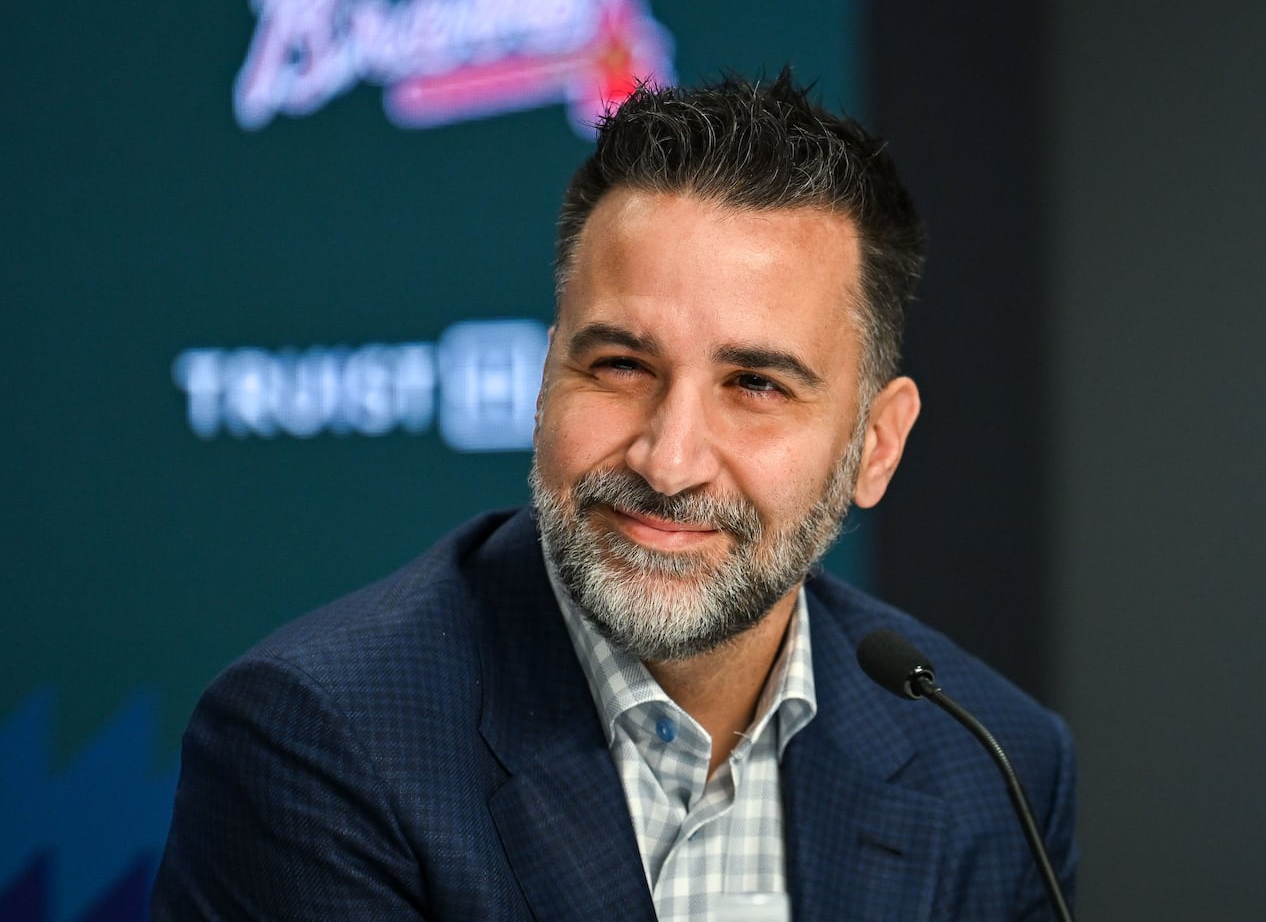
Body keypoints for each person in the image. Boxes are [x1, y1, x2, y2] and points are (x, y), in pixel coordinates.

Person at [152, 71, 1077, 920]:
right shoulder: (319, 745)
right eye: (621, 365)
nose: (669, 462)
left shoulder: (994, 761)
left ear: (876, 446)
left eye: (755, 385)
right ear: (549, 374)